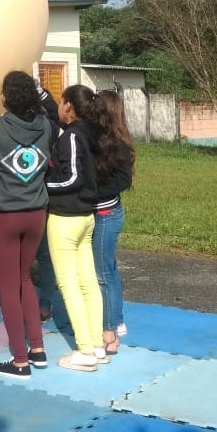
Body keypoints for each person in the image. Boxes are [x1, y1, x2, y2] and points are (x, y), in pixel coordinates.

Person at [0, 71, 54, 379]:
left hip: (4, 214)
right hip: (36, 212)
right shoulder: (46, 126)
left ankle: (19, 359)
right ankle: (37, 348)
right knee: (24, 279)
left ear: (5, 97)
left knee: (8, 287)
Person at [46, 84, 103, 372]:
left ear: (68, 106)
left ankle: (85, 351)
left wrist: (44, 187)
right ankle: (96, 345)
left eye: (59, 102)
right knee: (88, 282)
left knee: (70, 284)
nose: (56, 107)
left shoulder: (71, 136)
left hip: (66, 218)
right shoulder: (91, 133)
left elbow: (73, 178)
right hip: (86, 217)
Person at [90, 89, 136, 353]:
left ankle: (110, 331)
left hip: (106, 215)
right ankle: (116, 321)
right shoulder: (100, 139)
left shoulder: (115, 144)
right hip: (104, 214)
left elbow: (123, 180)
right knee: (109, 268)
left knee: (103, 273)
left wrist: (90, 191)